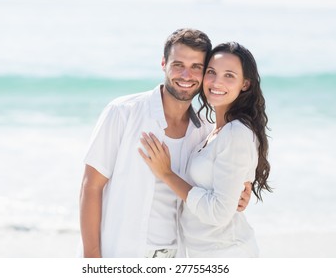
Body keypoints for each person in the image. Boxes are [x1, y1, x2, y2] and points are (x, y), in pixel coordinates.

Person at [79, 29, 252, 258]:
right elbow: (91, 186)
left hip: (176, 256)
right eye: (178, 64)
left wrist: (241, 193)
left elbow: (217, 192)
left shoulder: (205, 133)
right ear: (163, 63)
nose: (186, 75)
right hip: (120, 253)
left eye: (196, 67)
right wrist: (92, 258)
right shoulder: (123, 113)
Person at [139, 42, 272, 257]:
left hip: (228, 253)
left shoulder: (236, 133)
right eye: (211, 72)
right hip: (203, 253)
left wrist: (166, 174)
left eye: (229, 75)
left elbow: (219, 213)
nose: (217, 82)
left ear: (245, 84)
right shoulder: (212, 131)